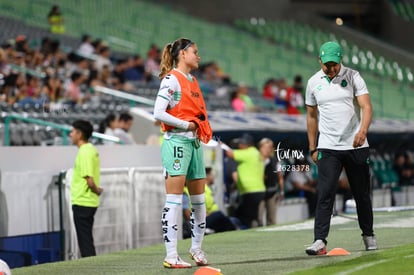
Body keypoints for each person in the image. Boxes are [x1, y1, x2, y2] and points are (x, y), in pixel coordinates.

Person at [305, 41, 377, 255]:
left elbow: (366, 106)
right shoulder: (312, 82)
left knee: (361, 194)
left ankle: (368, 235)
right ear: (320, 61)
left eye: (335, 64)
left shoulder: (353, 76)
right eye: (327, 64)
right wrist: (312, 147)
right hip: (328, 146)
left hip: (356, 146)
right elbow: (311, 117)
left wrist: (362, 130)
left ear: (341, 60)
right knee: (325, 193)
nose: (331, 68)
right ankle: (319, 241)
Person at [153, 38, 213, 268]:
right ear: (183, 54)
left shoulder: (193, 80)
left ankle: (196, 249)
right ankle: (170, 255)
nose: (198, 56)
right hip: (177, 142)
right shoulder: (171, 79)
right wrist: (185, 125)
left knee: (199, 202)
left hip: (195, 144)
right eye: (195, 52)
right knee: (174, 200)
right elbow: (158, 113)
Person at [69, 120, 103, 257]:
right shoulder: (91, 150)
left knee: (85, 241)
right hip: (88, 201)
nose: (70, 134)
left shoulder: (85, 152)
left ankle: (90, 268)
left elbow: (89, 180)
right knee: (86, 239)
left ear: (79, 133)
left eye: (72, 131)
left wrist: (97, 190)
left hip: (83, 200)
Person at [223, 133, 265, 229]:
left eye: (241, 143)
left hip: (251, 190)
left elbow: (230, 154)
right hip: (257, 189)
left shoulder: (249, 152)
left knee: (246, 217)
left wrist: (221, 145)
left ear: (247, 144)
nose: (239, 145)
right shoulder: (256, 152)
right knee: (252, 216)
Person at [257, 138, 284, 226]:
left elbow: (280, 177)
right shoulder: (256, 160)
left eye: (270, 148)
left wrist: (282, 191)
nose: (267, 150)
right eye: (265, 147)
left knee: (271, 219)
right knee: (259, 218)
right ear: (260, 148)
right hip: (259, 192)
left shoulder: (275, 161)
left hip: (271, 192)